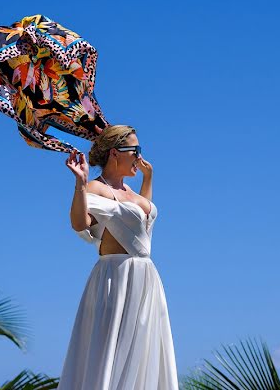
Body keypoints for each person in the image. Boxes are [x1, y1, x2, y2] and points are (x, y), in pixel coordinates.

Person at [58, 125, 178, 390]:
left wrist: (148, 179)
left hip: (146, 280)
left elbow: (139, 224)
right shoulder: (96, 188)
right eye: (135, 151)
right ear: (115, 153)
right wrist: (79, 184)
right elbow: (80, 223)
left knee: (142, 352)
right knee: (113, 349)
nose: (140, 157)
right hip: (116, 279)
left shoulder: (132, 193)